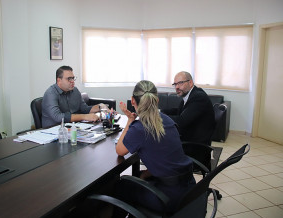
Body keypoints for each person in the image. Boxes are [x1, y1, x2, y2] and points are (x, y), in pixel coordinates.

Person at [115, 80, 195, 214]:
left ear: (132, 101)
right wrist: (145, 174)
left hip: (168, 198)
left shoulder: (139, 128)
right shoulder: (167, 119)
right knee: (138, 176)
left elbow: (120, 150)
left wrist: (130, 121)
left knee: (122, 185)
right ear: (157, 100)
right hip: (189, 189)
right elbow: (165, 158)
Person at [41, 65, 108, 128]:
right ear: (59, 80)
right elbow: (58, 117)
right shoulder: (50, 93)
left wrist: (101, 106)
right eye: (69, 79)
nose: (72, 81)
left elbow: (84, 109)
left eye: (73, 78)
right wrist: (84, 117)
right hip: (54, 130)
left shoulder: (74, 90)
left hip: (72, 128)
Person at [170, 71, 215, 146]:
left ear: (190, 83)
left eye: (180, 83)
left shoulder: (199, 97)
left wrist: (158, 117)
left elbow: (181, 121)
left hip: (195, 146)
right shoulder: (190, 94)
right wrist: (160, 111)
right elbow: (179, 111)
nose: (177, 87)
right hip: (189, 138)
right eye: (175, 84)